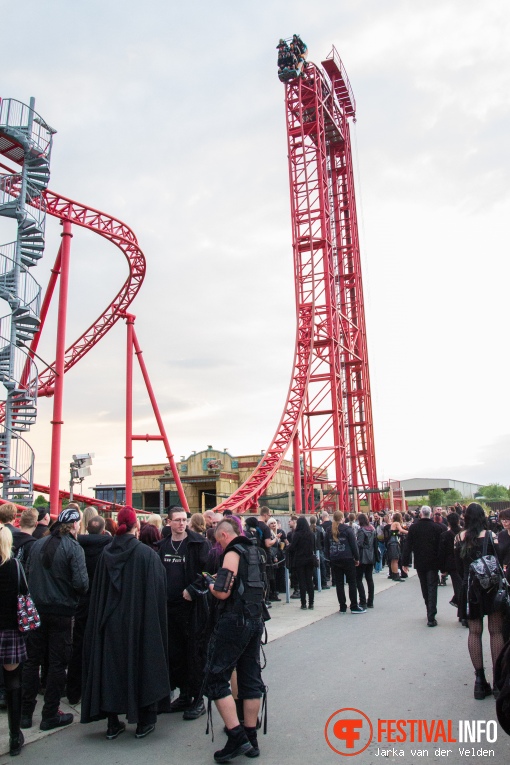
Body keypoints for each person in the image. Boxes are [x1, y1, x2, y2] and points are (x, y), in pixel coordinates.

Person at [81, 506, 169, 739]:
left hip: (109, 623)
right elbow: (158, 592)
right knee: (142, 666)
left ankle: (112, 723)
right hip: (139, 622)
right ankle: (144, 721)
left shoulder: (106, 554)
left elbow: (98, 593)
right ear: (136, 526)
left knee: (110, 668)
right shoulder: (147, 555)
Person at [21, 507, 89, 731]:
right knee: (58, 663)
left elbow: (28, 573)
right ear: (74, 525)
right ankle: (50, 713)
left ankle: (24, 713)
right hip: (61, 610)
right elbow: (81, 583)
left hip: (38, 608)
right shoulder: (73, 548)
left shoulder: (38, 544)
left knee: (32, 661)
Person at [205, 519, 266, 762]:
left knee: (216, 677)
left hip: (235, 621)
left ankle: (236, 735)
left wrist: (210, 584)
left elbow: (223, 591)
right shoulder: (254, 550)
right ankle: (251, 737)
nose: (217, 543)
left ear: (223, 534)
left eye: (217, 539)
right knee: (250, 677)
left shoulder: (232, 552)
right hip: (255, 619)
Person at [158, 505, 210, 720]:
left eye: (184, 520)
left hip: (193, 608)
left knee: (195, 654)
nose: (182, 523)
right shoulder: (161, 546)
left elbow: (209, 571)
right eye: (177, 520)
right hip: (170, 607)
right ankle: (184, 695)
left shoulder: (199, 543)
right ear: (168, 522)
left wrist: (193, 589)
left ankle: (198, 700)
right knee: (176, 654)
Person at [455, 502, 505, 700]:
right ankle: (498, 681)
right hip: (491, 588)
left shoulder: (459, 538)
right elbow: (498, 563)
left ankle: (479, 680)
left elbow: (459, 567)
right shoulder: (491, 537)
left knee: (474, 632)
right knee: (496, 631)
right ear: (483, 517)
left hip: (469, 588)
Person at [66, 515, 111, 705]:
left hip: (81, 601)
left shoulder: (77, 545)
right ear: (102, 530)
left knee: (78, 645)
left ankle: (74, 690)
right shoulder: (109, 547)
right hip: (101, 601)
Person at [0, 523, 28, 756]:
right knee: (13, 681)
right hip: (9, 629)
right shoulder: (14, 565)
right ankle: (14, 736)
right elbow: (24, 593)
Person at [402, 506, 443, 627]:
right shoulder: (437, 528)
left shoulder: (414, 528)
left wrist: (404, 562)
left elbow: (408, 546)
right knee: (432, 587)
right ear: (431, 514)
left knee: (424, 586)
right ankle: (431, 614)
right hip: (433, 562)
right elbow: (440, 547)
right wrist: (442, 564)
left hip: (420, 561)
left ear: (420, 514)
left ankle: (428, 609)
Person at [324, 510, 365, 614]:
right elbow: (353, 545)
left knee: (339, 583)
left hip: (335, 558)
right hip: (347, 557)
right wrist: (357, 558)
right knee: (352, 582)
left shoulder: (329, 530)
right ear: (342, 518)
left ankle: (342, 606)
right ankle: (354, 605)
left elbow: (326, 546)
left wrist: (329, 558)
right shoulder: (347, 529)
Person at [287, 517, 316, 610]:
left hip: (299, 560)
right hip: (310, 559)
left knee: (302, 582)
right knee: (309, 582)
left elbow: (293, 547)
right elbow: (314, 547)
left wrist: (287, 547)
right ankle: (311, 603)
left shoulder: (297, 534)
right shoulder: (311, 534)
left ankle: (303, 603)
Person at [438, 512, 463, 612]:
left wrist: (442, 569)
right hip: (464, 562)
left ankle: (461, 611)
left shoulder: (445, 535)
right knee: (464, 586)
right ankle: (464, 611)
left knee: (457, 587)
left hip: (452, 564)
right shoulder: (464, 533)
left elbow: (442, 552)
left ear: (448, 522)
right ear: (458, 521)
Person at [355, 513, 378, 609]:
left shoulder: (361, 530)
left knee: (359, 579)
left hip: (363, 556)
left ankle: (362, 600)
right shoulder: (373, 529)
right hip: (371, 555)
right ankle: (370, 601)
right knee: (369, 578)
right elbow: (375, 544)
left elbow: (359, 544)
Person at [386, 512, 407, 582]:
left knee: (392, 560)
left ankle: (393, 574)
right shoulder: (397, 523)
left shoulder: (392, 524)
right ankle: (396, 575)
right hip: (394, 542)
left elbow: (393, 532)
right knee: (395, 559)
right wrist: (409, 532)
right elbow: (401, 530)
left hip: (391, 542)